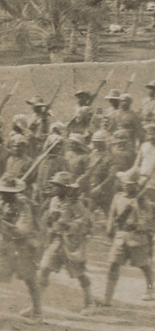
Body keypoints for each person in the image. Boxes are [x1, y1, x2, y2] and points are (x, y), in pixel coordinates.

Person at [0, 176, 42, 326]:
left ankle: (38, 313)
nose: (1, 195)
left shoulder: (24, 206)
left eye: (4, 193)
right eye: (0, 192)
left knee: (30, 280)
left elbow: (22, 231)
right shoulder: (2, 204)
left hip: (23, 248)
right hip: (6, 248)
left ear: (12, 193)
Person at [34, 172, 93, 313]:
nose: (53, 188)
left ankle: (89, 304)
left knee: (79, 274)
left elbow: (85, 222)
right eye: (53, 185)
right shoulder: (54, 201)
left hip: (71, 243)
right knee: (43, 270)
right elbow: (49, 222)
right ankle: (35, 307)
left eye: (57, 186)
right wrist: (49, 219)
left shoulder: (75, 203)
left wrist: (67, 224)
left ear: (65, 188)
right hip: (56, 241)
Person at [103, 170, 154, 305]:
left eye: (130, 184)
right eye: (125, 184)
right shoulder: (118, 197)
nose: (127, 186)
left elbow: (148, 221)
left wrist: (136, 225)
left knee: (143, 266)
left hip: (138, 239)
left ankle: (150, 289)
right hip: (120, 237)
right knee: (113, 265)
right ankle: (107, 299)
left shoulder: (142, 201)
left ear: (136, 185)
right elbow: (112, 215)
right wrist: (109, 229)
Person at [77, 130, 115, 215]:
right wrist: (82, 179)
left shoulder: (110, 157)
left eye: (99, 143)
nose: (97, 145)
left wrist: (101, 187)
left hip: (105, 189)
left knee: (108, 212)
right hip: (92, 187)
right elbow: (89, 170)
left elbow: (111, 176)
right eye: (95, 142)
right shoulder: (93, 154)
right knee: (90, 211)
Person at [34, 134, 68, 211]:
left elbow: (64, 180)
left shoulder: (61, 161)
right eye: (56, 145)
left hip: (53, 195)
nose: (58, 147)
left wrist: (53, 192)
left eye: (60, 145)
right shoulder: (40, 159)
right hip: (40, 192)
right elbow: (34, 177)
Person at [132, 123, 155, 203]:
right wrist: (135, 170)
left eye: (153, 134)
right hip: (141, 177)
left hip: (152, 180)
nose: (151, 137)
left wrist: (147, 179)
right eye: (149, 134)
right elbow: (137, 161)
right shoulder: (144, 146)